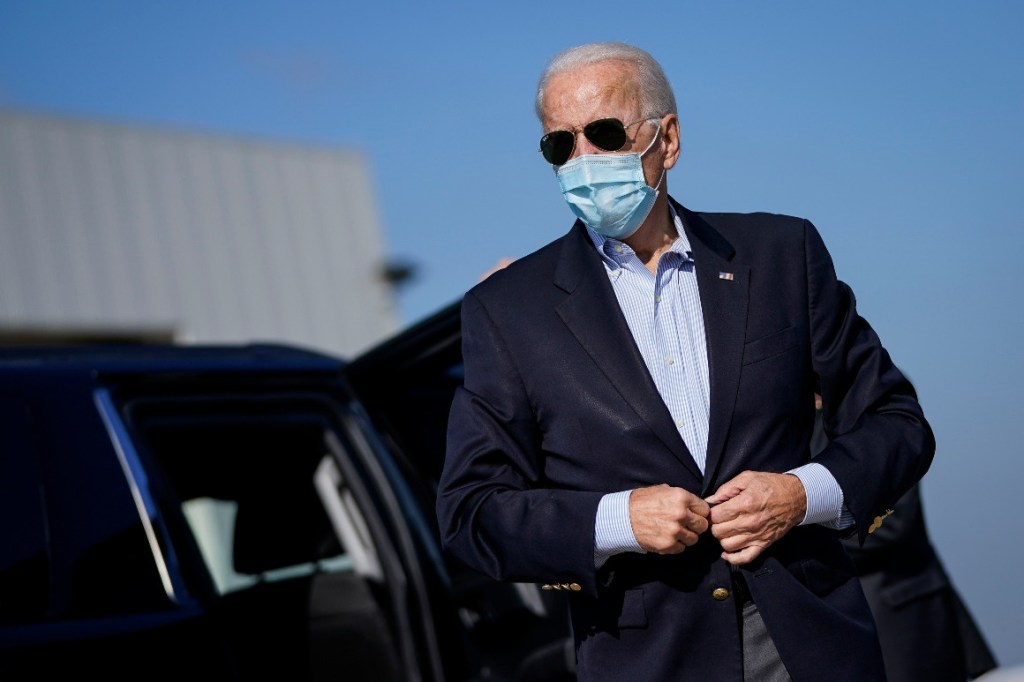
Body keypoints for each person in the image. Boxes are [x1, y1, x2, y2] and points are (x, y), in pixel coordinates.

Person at [436, 42, 935, 681]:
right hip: (651, 661)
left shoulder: (782, 254)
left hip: (810, 645)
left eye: (605, 134)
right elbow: (471, 511)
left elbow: (896, 421)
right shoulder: (507, 311)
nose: (583, 161)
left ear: (666, 140)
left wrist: (799, 493)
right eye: (560, 146)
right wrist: (617, 520)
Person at [809, 396, 998, 681]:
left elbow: (893, 523)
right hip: (838, 626)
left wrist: (795, 533)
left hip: (902, 618)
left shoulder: (866, 398)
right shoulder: (787, 416)